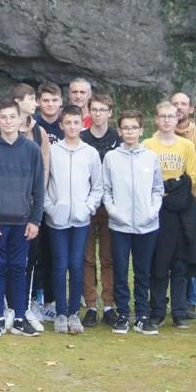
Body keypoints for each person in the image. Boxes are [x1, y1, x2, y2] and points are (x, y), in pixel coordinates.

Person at [0, 101, 44, 337]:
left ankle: (20, 317)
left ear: (20, 120)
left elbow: (39, 189)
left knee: (19, 268)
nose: (7, 121)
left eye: (12, 117)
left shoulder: (32, 150)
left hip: (23, 222)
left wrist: (35, 220)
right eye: (3, 117)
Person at [102, 110, 163, 335]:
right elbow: (106, 189)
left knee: (142, 271)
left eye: (133, 128)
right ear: (119, 131)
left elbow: (158, 188)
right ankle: (123, 314)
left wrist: (151, 211)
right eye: (125, 128)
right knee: (120, 270)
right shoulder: (111, 158)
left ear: (141, 130)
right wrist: (114, 211)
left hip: (147, 224)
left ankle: (142, 315)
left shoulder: (151, 157)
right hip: (120, 224)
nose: (129, 132)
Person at [45, 105, 103, 334]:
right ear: (61, 125)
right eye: (67, 123)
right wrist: (50, 208)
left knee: (77, 265)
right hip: (57, 220)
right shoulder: (52, 151)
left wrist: (87, 208)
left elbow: (97, 186)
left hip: (80, 220)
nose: (71, 127)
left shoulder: (90, 153)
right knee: (60, 265)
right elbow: (44, 183)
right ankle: (60, 313)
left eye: (76, 122)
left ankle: (73, 313)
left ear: (82, 124)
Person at [143, 101, 196, 328]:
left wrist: (175, 190)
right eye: (162, 116)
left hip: (181, 210)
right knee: (158, 261)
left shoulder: (186, 145)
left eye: (171, 116)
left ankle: (179, 310)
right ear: (156, 119)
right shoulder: (147, 144)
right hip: (157, 209)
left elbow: (192, 177)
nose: (167, 120)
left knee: (179, 261)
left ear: (178, 119)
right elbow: (144, 177)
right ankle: (156, 309)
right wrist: (161, 192)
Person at [79, 93, 121, 327]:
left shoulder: (118, 137)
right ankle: (91, 305)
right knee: (87, 259)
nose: (98, 114)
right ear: (88, 111)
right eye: (94, 109)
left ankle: (109, 305)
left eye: (102, 110)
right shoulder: (82, 137)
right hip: (87, 205)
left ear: (109, 113)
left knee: (108, 257)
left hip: (111, 205)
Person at [12, 82, 51, 333]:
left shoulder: (40, 134)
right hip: (6, 208)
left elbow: (44, 170)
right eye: (31, 98)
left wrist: (37, 201)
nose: (35, 103)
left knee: (29, 260)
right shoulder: (1, 131)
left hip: (31, 207)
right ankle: (6, 308)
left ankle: (24, 308)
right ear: (18, 101)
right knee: (5, 262)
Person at [171, 91, 196, 316]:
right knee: (167, 249)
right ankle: (173, 295)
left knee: (191, 249)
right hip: (166, 203)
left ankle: (191, 298)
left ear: (191, 108)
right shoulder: (160, 135)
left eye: (183, 104)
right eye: (174, 104)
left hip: (193, 200)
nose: (178, 108)